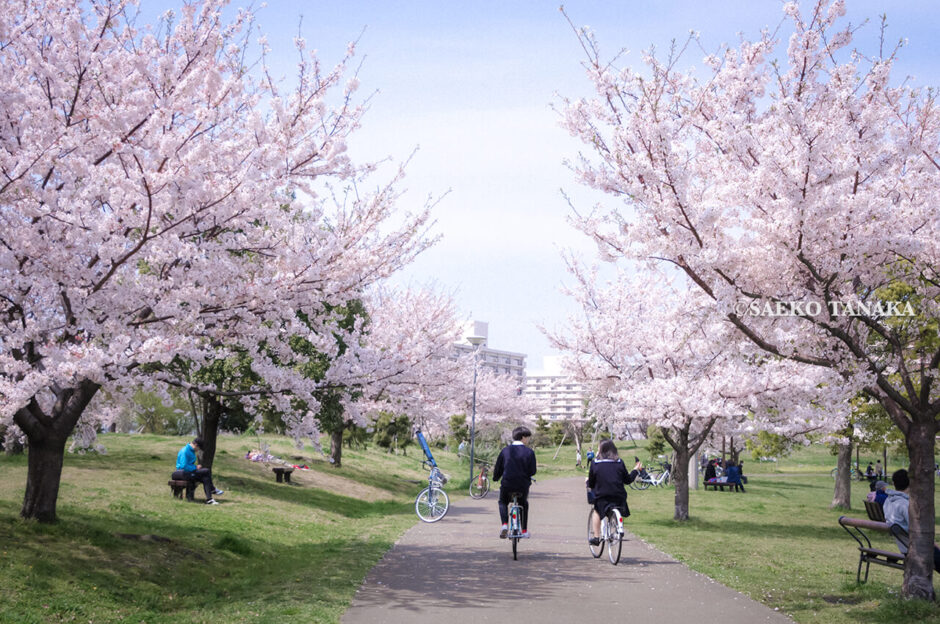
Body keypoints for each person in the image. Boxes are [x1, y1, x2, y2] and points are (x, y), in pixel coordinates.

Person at [882, 468, 940, 572]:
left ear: (894, 483)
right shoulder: (905, 504)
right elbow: (919, 531)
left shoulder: (888, 501)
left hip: (905, 547)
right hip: (919, 549)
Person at [586, 440, 642, 545]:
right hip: (619, 497)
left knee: (597, 511)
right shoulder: (619, 462)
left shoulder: (595, 463)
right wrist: (636, 470)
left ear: (601, 450)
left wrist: (588, 482)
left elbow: (591, 483)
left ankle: (596, 537)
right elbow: (628, 480)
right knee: (617, 508)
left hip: (602, 497)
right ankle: (617, 528)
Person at [492, 426, 537, 539]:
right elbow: (533, 471)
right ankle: (524, 531)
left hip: (507, 483)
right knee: (524, 504)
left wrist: (496, 478)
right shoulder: (529, 452)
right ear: (523, 437)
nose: (528, 440)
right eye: (528, 437)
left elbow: (498, 468)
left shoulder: (505, 451)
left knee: (503, 502)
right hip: (522, 485)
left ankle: (504, 525)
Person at [173, 438, 224, 505]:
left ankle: (209, 499)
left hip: (187, 472)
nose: (198, 450)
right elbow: (183, 466)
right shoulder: (185, 451)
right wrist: (195, 467)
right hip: (181, 473)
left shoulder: (191, 451)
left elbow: (189, 465)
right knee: (206, 471)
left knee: (205, 478)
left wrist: (195, 468)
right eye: (199, 448)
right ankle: (212, 489)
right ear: (196, 445)